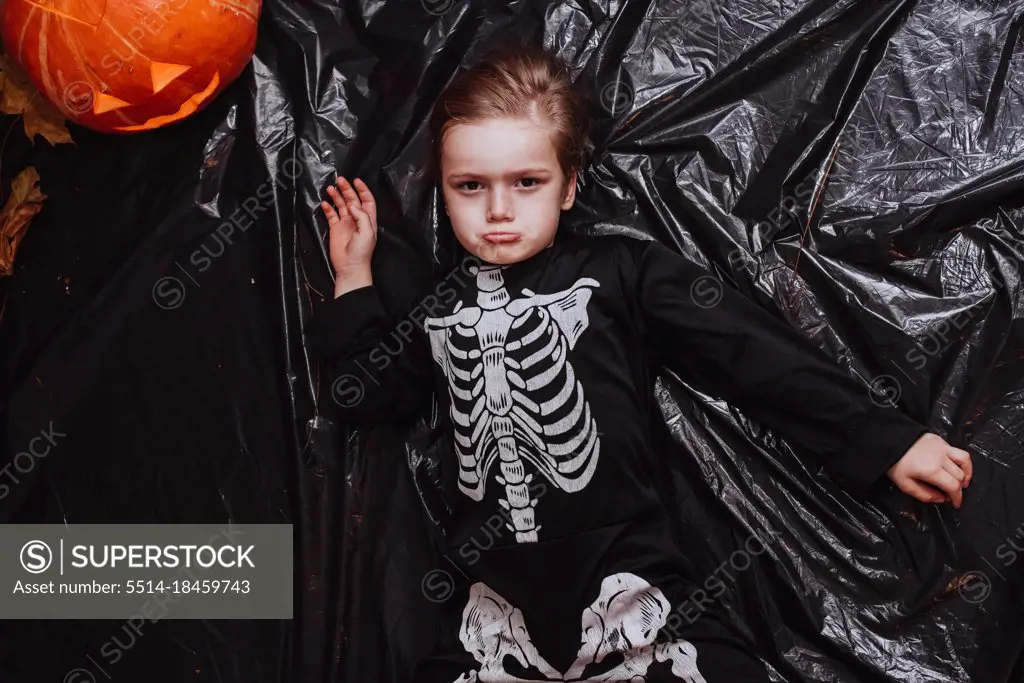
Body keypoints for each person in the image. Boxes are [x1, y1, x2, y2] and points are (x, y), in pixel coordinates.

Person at [309, 45, 973, 683]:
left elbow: (752, 352)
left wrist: (886, 439)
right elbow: (362, 395)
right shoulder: (436, 311)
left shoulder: (619, 273)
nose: (499, 210)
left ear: (569, 187)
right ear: (443, 192)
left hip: (633, 592)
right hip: (491, 612)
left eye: (527, 181)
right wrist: (354, 277)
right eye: (470, 186)